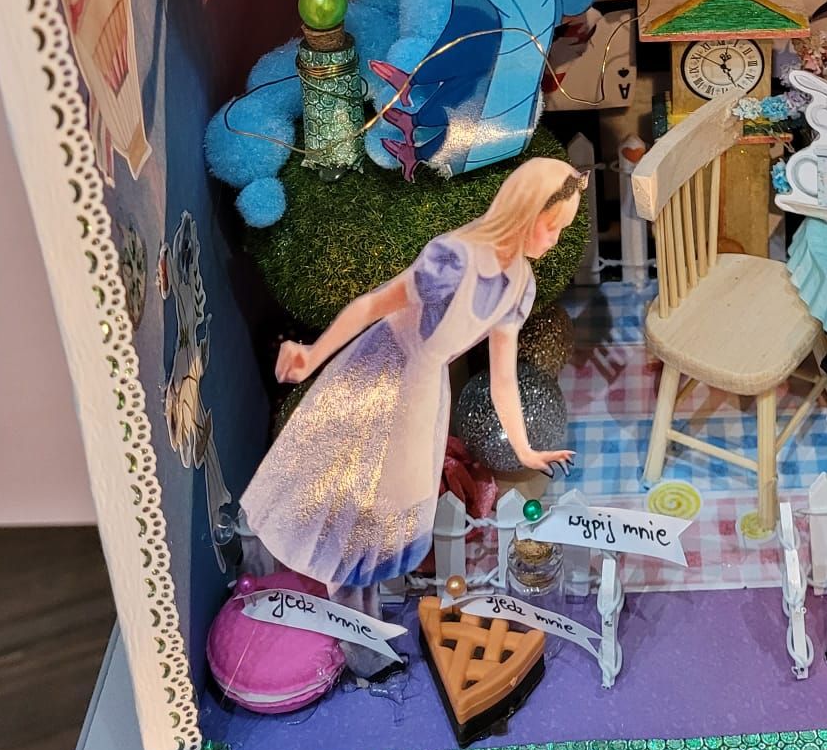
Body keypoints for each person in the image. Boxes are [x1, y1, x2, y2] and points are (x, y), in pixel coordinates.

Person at [240, 156, 580, 593]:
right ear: (525, 213)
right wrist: (314, 353)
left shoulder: (519, 285)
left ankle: (362, 594)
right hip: (381, 370)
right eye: (551, 227)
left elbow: (503, 379)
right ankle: (308, 584)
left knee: (399, 500)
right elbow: (374, 303)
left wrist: (525, 450)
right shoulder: (454, 260)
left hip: (424, 388)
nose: (554, 240)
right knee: (347, 479)